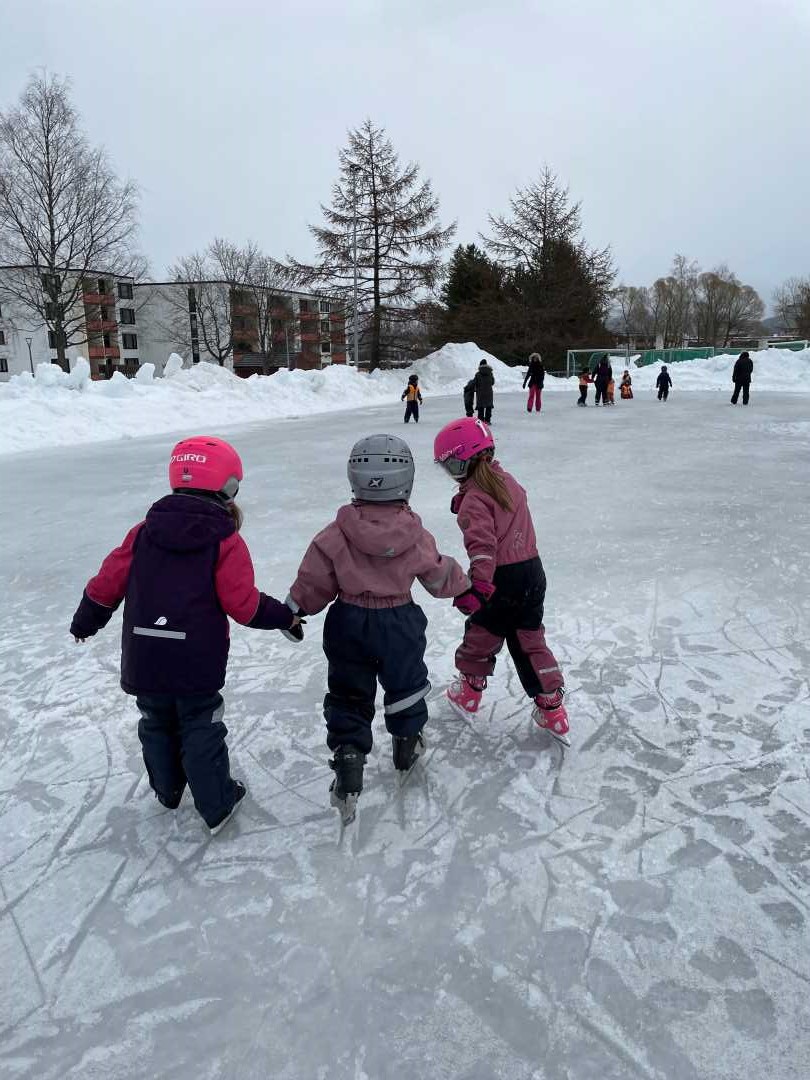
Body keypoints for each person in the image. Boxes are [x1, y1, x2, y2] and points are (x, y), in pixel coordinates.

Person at [69, 436, 301, 835]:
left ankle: (168, 790)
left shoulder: (143, 532)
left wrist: (85, 621)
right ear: (229, 487)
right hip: (196, 660)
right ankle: (217, 803)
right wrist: (286, 617)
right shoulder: (225, 540)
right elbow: (243, 604)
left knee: (156, 721)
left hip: (146, 654)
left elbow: (107, 582)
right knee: (200, 725)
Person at [287, 434, 469, 822]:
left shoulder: (335, 533)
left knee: (350, 691)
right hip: (398, 621)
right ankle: (406, 742)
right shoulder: (414, 534)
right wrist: (466, 587)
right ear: (407, 479)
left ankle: (349, 755)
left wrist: (295, 608)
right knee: (404, 684)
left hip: (347, 621)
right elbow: (438, 575)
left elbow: (315, 580)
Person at [433, 418, 569, 745]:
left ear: (464, 459)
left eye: (451, 464)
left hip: (499, 578)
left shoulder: (474, 499)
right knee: (528, 639)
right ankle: (553, 708)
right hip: (532, 573)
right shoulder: (507, 481)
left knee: (482, 631)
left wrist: (478, 587)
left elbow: (482, 548)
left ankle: (469, 691)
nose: (451, 472)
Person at [474, 358, 495, 423]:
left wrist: (475, 389)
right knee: (488, 406)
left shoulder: (478, 374)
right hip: (489, 392)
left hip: (480, 393)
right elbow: (492, 382)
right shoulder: (490, 373)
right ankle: (487, 420)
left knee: (481, 407)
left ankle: (481, 420)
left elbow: (475, 383)